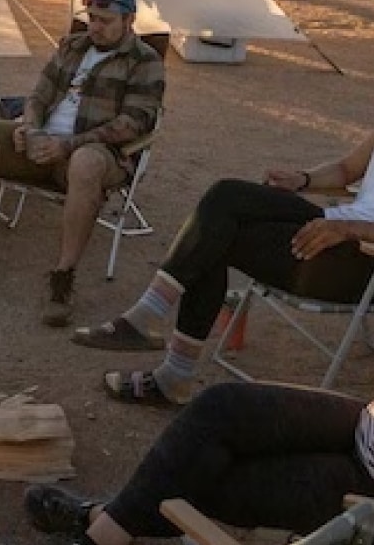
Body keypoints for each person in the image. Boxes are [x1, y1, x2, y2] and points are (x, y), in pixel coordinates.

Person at [72, 131, 374, 407]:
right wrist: (302, 179)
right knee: (222, 210)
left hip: (362, 260)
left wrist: (350, 228)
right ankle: (163, 356)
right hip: (331, 226)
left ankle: (160, 348)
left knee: (218, 233)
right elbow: (348, 169)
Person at [0, 0, 165, 328]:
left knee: (86, 163)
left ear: (129, 20)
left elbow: (134, 124)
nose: (95, 27)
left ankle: (63, 277)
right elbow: (38, 96)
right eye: (92, 18)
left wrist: (66, 144)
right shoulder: (73, 46)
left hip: (93, 152)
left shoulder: (145, 61)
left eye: (105, 20)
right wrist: (30, 128)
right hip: (42, 143)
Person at [23, 381, 374, 544]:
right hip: (363, 423)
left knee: (204, 475)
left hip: (366, 486)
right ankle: (105, 521)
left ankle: (99, 525)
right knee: (221, 404)